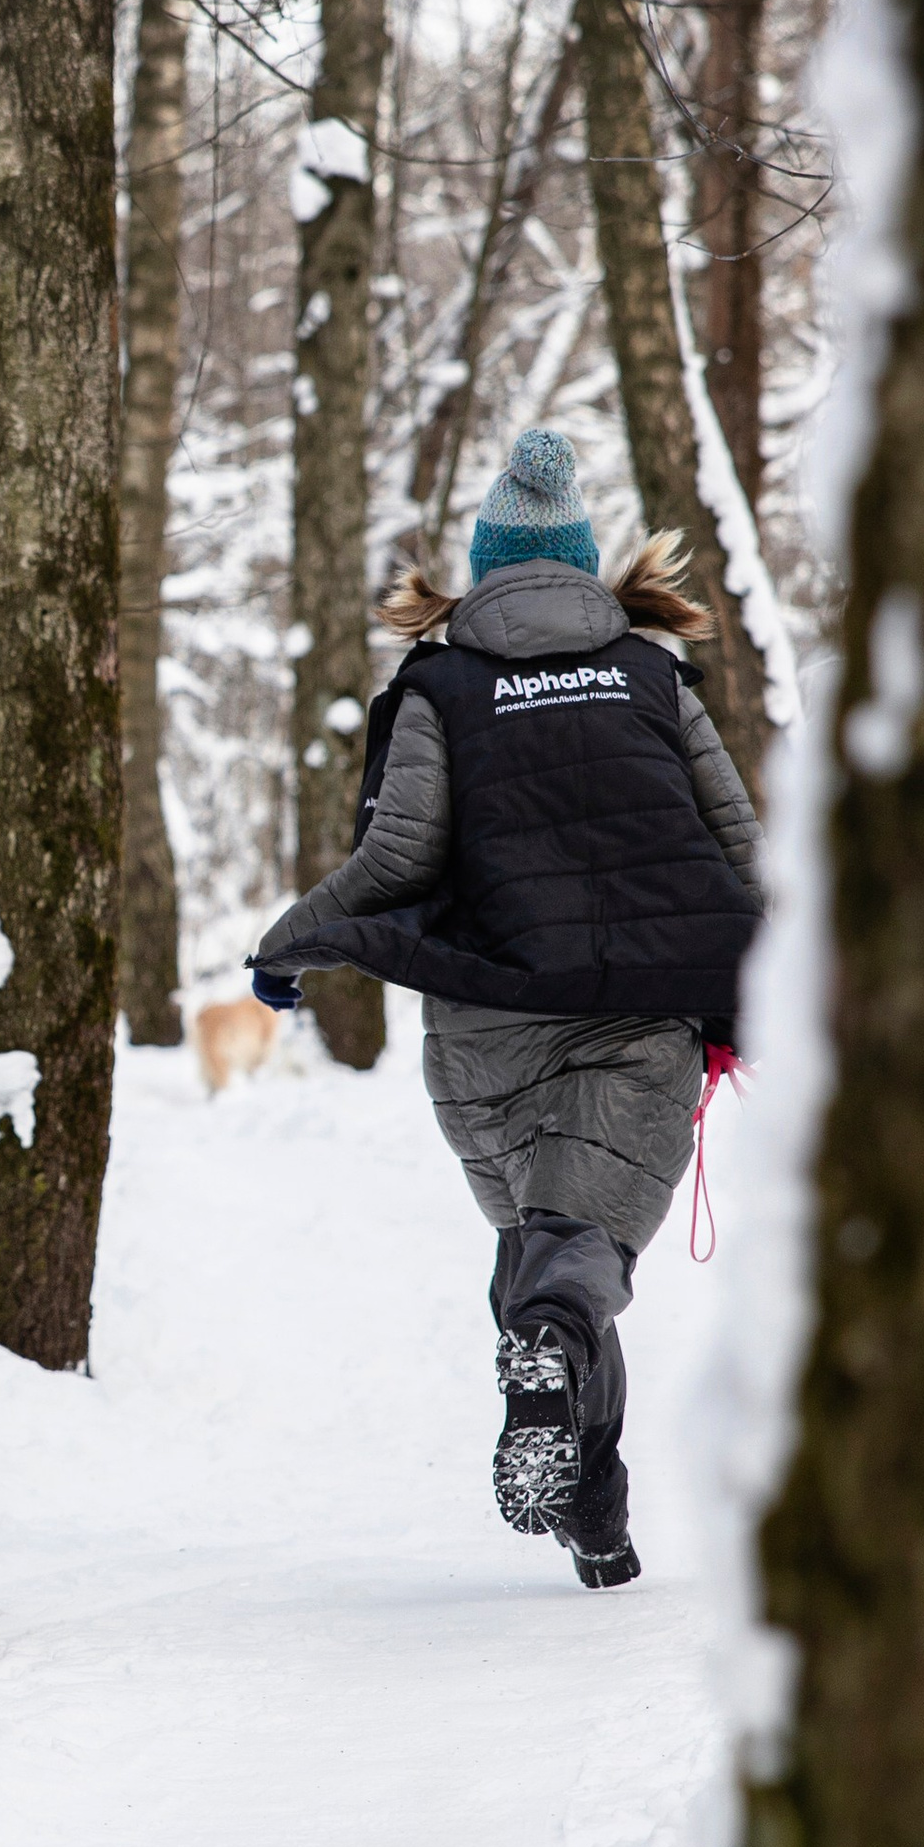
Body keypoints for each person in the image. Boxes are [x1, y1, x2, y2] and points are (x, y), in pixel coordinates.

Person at [250, 427, 762, 1591]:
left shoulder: (435, 685)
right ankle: (561, 1406)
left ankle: (596, 1525)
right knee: (572, 1264)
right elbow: (737, 846)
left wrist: (289, 944)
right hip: (637, 1017)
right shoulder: (649, 677)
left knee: (539, 1266)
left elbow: (391, 861)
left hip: (485, 1031)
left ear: (478, 574)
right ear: (585, 567)